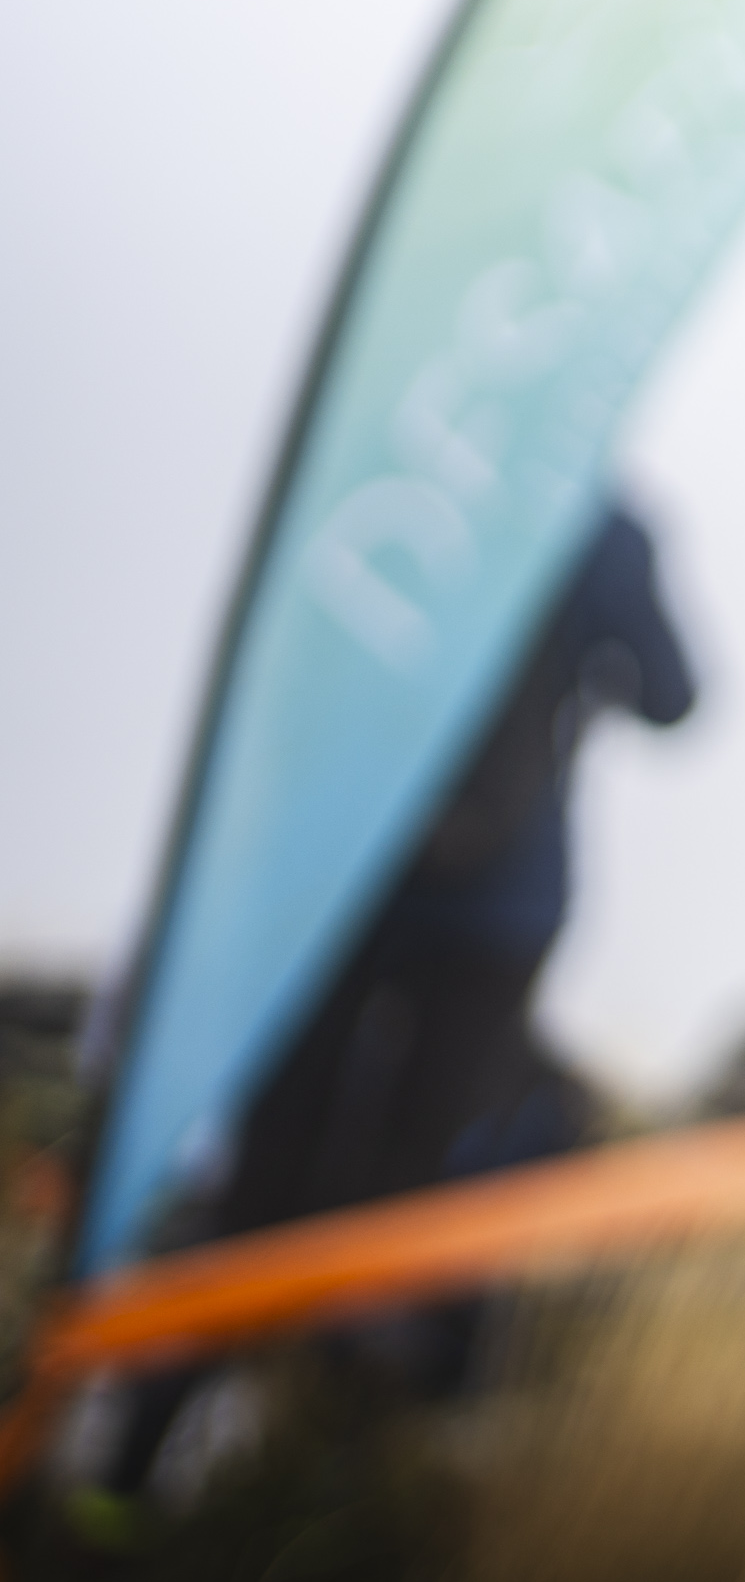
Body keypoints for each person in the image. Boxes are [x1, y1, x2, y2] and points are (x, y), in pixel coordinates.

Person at [86, 502, 694, 1518]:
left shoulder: (399, 475)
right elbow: (674, 697)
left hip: (339, 873)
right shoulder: (592, 515)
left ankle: (130, 1480)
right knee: (407, 1204)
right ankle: (313, 1512)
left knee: (266, 1184)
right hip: (498, 909)